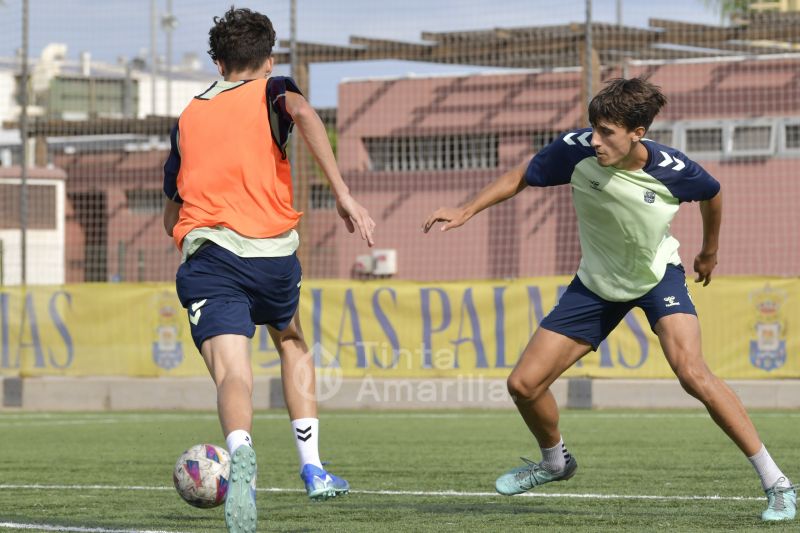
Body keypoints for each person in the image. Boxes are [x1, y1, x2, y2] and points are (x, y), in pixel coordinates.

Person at [423, 77, 795, 522]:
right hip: (597, 284)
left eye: (606, 132)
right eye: (593, 129)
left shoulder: (674, 170)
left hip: (657, 277)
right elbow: (521, 174)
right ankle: (555, 462)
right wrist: (465, 210)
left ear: (638, 133)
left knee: (693, 373)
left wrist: (709, 251)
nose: (595, 140)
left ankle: (778, 484)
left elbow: (712, 194)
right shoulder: (575, 150)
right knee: (523, 385)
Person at [162, 7, 375, 533]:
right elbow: (303, 112)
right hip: (274, 256)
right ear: (269, 59)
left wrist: (189, 231)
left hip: (212, 254)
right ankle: (314, 468)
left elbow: (172, 206)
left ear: (217, 63)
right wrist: (342, 194)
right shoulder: (274, 89)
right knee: (291, 341)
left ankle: (241, 457)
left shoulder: (188, 116)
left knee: (233, 372)